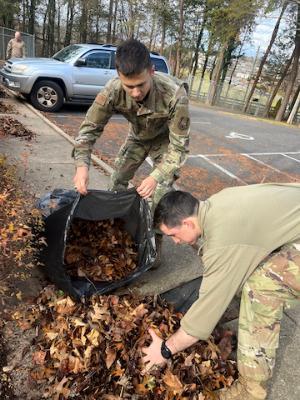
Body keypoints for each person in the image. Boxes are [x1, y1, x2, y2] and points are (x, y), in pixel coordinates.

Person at [142, 184, 300, 400]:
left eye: (173, 235)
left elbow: (202, 320)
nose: (175, 242)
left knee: (261, 289)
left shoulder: (222, 245)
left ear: (187, 223)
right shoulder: (218, 201)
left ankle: (250, 392)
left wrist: (165, 350)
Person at [73, 39, 190, 266]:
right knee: (116, 181)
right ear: (118, 75)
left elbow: (179, 148)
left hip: (164, 143)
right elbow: (88, 130)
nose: (135, 93)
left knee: (158, 196)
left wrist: (155, 176)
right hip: (137, 138)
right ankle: (114, 229)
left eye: (141, 85)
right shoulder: (112, 91)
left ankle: (153, 245)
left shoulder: (174, 94)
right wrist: (81, 166)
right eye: (129, 86)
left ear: (151, 71)